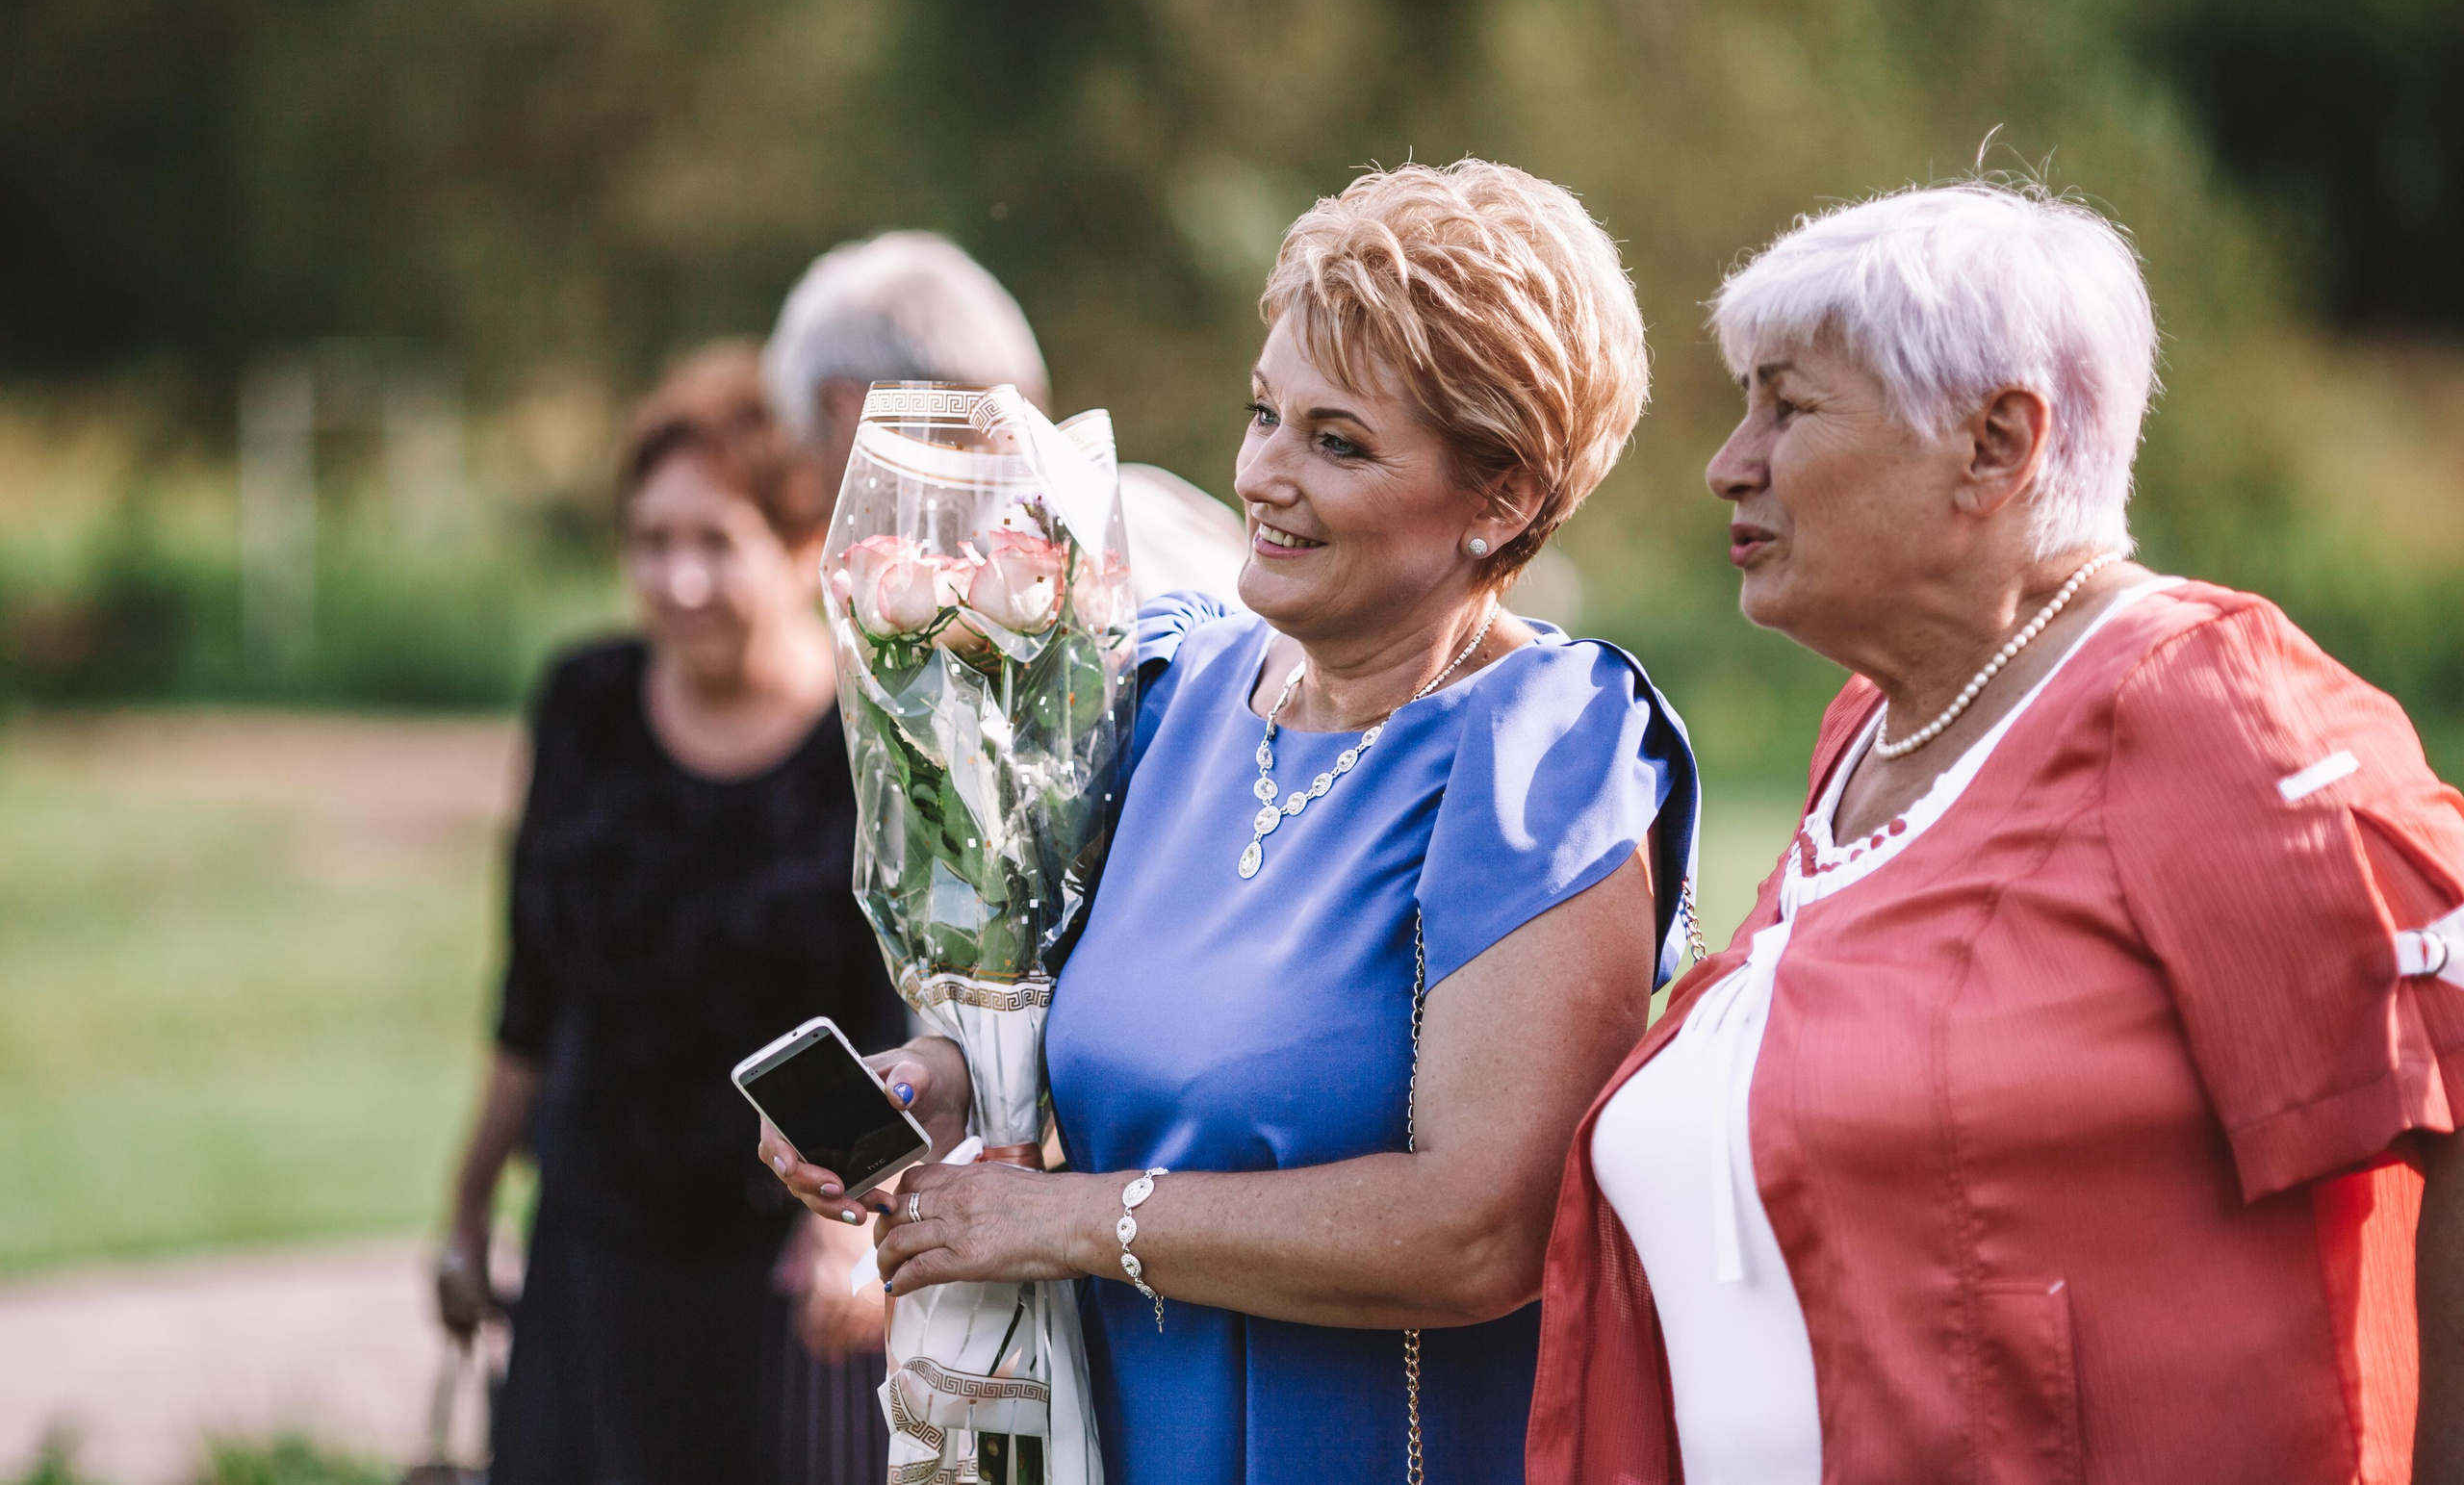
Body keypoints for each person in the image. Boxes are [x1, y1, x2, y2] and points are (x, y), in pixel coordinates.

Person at [764, 160, 1703, 1482]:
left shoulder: (1541, 753)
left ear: (1499, 496)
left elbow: (1480, 1231)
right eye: (1266, 411)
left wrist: (1066, 1219)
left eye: (1339, 441)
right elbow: (1134, 1048)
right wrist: (936, 1084)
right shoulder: (1162, 691)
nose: (1265, 473)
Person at [1527, 182, 2464, 1483]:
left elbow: (2448, 1090)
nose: (1728, 461)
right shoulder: (1877, 727)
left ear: (1994, 443)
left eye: (1788, 406)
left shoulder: (2210, 703)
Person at [435, 345, 908, 1485]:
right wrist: (465, 1203)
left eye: (715, 542)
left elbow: (891, 1015)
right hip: (592, 1247)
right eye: (652, 541)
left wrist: (853, 1237)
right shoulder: (585, 701)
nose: (677, 579)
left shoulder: (870, 738)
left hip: (784, 1273)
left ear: (803, 550)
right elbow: (532, 990)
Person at [762, 229, 1251, 605]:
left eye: (809, 455)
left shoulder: (1010, 575)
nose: (819, 502)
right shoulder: (1153, 508)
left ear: (845, 414)